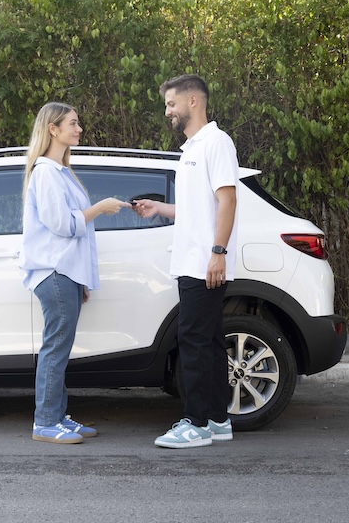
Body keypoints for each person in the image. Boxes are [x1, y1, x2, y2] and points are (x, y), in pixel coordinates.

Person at [133, 74, 239, 448]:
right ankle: (217, 419)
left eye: (171, 104)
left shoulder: (216, 143)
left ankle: (195, 423)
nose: (168, 112)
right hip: (191, 262)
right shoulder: (191, 149)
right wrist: (159, 207)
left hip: (204, 263)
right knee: (208, 341)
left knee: (192, 340)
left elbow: (228, 200)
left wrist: (218, 253)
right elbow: (199, 208)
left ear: (193, 101)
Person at [19, 102, 129, 444]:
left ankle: (56, 416)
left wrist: (79, 277)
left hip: (64, 272)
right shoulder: (47, 173)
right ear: (53, 129)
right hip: (53, 272)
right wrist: (100, 208)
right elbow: (62, 225)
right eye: (73, 123)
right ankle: (46, 422)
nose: (79, 129)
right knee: (55, 347)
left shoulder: (60, 172)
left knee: (60, 347)